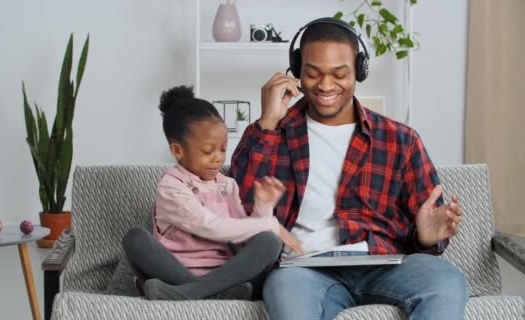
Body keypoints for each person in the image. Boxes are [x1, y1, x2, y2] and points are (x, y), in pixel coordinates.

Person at [230, 17, 468, 319]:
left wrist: (424, 238)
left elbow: (430, 226)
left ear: (359, 71)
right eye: (313, 73)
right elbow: (236, 212)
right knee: (284, 290)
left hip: (383, 265)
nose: (326, 85)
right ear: (296, 71)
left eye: (339, 74)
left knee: (446, 281)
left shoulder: (400, 139)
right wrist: (266, 124)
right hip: (303, 271)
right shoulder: (272, 135)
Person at [121, 85, 303, 301]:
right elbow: (209, 226)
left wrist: (263, 207)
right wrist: (271, 223)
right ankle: (203, 291)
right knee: (135, 238)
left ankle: (192, 293)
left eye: (223, 149)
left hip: (226, 274)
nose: (218, 158)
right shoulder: (171, 186)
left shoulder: (227, 185)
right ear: (177, 151)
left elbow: (243, 238)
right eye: (208, 151)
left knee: (270, 242)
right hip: (177, 273)